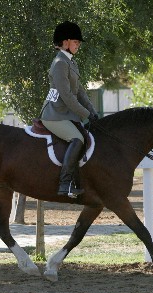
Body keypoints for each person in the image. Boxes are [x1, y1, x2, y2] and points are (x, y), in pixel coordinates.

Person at [40, 21, 99, 198]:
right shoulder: (59, 63)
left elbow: (80, 92)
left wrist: (93, 111)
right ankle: (65, 183)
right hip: (54, 114)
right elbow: (66, 96)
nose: (78, 45)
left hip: (64, 113)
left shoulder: (70, 63)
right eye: (76, 42)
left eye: (79, 43)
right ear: (65, 42)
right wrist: (86, 115)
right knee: (78, 138)